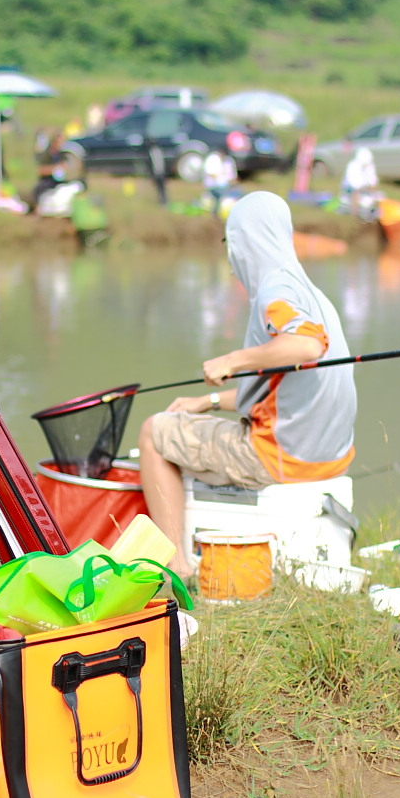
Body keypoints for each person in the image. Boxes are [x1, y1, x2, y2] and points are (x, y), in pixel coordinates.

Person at [138, 191, 357, 579]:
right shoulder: (312, 294)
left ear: (241, 243)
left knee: (154, 432)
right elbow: (281, 387)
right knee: (182, 422)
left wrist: (232, 361)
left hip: (278, 458)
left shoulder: (276, 290)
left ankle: (176, 566)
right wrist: (207, 400)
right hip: (327, 458)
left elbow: (306, 346)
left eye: (228, 242)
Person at [340, 146, 380, 219]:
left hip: (364, 194)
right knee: (364, 202)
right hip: (350, 196)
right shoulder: (352, 167)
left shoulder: (369, 166)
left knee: (380, 198)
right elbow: (355, 189)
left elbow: (373, 184)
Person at [202, 150, 238, 217]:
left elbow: (232, 176)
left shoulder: (228, 161)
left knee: (238, 193)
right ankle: (215, 214)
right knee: (220, 196)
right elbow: (211, 175)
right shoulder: (212, 159)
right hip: (214, 186)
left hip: (226, 186)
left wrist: (232, 182)